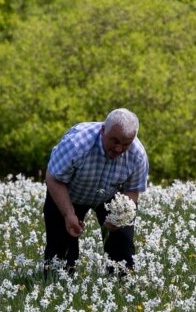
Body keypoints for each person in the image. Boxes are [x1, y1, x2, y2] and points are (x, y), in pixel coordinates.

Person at [43, 108, 148, 274]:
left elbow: (133, 190)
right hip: (70, 192)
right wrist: (69, 214)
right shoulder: (77, 144)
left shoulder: (138, 155)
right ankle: (57, 284)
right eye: (115, 141)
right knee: (60, 250)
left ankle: (121, 286)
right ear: (103, 130)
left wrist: (119, 217)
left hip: (112, 195)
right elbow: (53, 177)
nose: (119, 149)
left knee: (122, 247)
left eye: (126, 143)